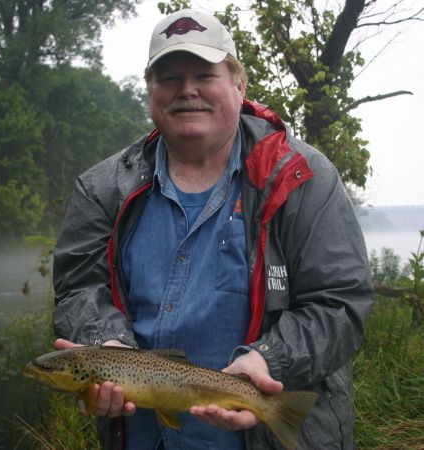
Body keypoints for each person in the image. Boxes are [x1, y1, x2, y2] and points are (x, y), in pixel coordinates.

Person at [52, 8, 374, 450]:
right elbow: (78, 288)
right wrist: (105, 346)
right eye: (169, 78)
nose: (187, 91)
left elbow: (341, 304)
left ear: (238, 85)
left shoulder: (302, 177)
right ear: (149, 90)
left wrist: (269, 360)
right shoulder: (101, 189)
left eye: (204, 74)